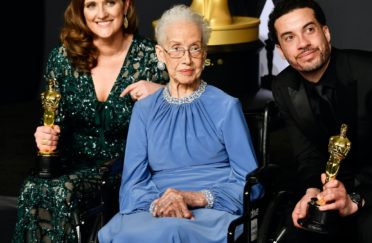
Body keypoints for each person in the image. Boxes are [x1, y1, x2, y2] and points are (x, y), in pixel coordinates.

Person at [265, 0, 372, 242]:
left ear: (326, 32)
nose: (302, 44)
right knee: (295, 228)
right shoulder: (283, 86)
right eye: (289, 37)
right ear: (281, 50)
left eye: (309, 30)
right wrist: (312, 192)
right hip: (340, 187)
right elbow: (308, 158)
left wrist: (354, 199)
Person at [98, 4, 260, 243]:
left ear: (205, 54)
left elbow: (251, 185)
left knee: (173, 232)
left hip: (211, 211)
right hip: (154, 208)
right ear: (161, 54)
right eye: (176, 49)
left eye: (195, 48)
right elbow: (132, 184)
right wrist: (161, 204)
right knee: (132, 232)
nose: (187, 59)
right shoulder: (144, 109)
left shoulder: (226, 106)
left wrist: (194, 197)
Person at [12, 0, 168, 242]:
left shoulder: (152, 57)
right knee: (33, 188)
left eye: (110, 3)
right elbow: (55, 124)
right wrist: (45, 136)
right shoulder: (63, 58)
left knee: (62, 191)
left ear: (125, 5)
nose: (101, 13)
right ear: (80, 10)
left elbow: (191, 108)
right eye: (91, 5)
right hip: (71, 165)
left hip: (126, 169)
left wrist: (163, 93)